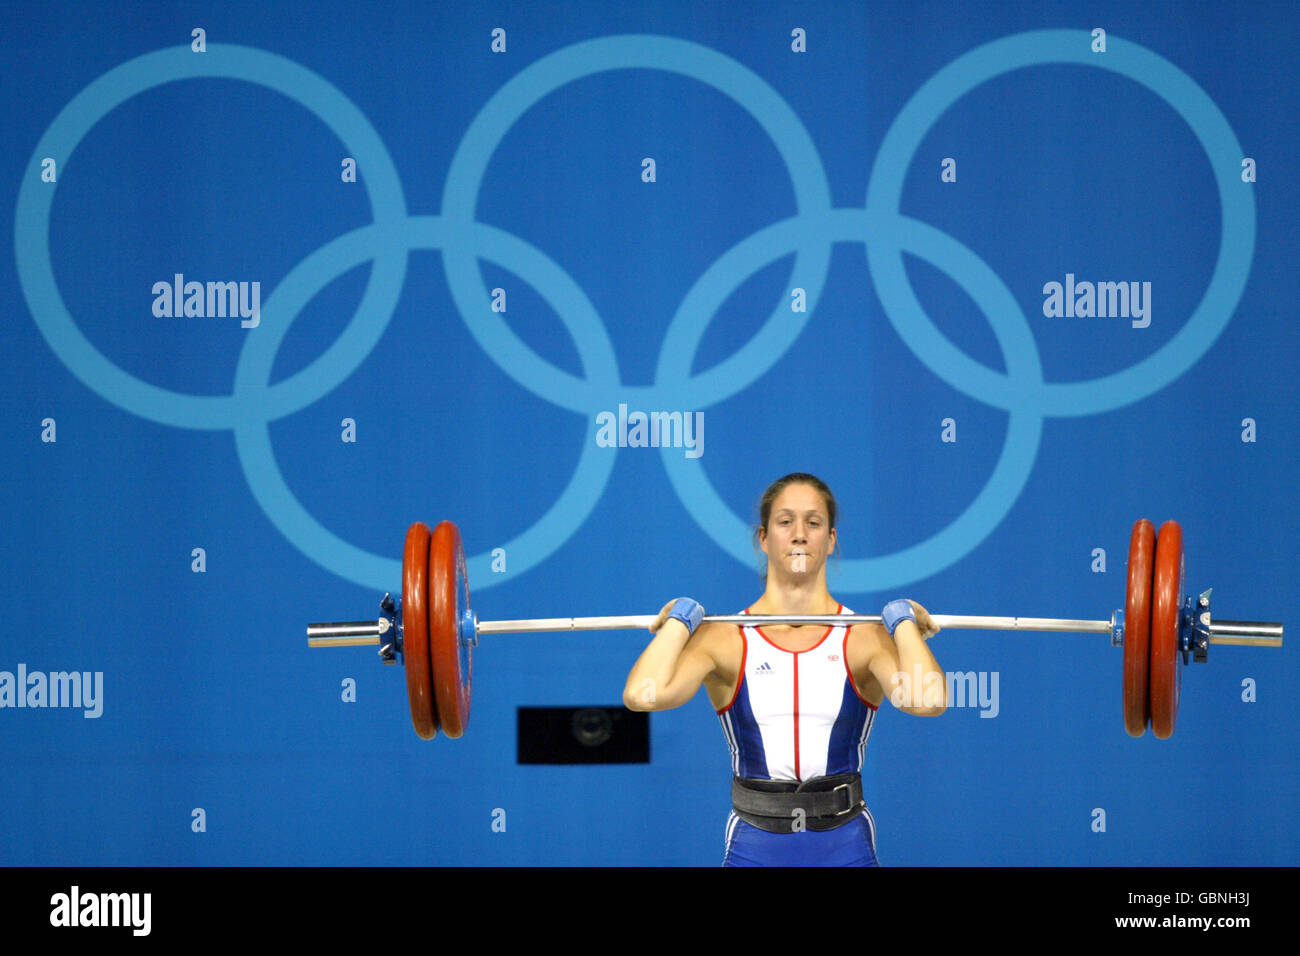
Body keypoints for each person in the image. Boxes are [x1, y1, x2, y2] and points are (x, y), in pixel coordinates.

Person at [623, 473, 946, 866]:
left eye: (813, 522)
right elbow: (642, 695)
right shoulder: (724, 638)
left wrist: (904, 624)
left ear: (831, 540)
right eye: (785, 521)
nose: (799, 534)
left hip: (844, 845)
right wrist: (680, 621)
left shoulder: (864, 636)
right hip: (754, 846)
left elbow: (928, 700)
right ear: (763, 538)